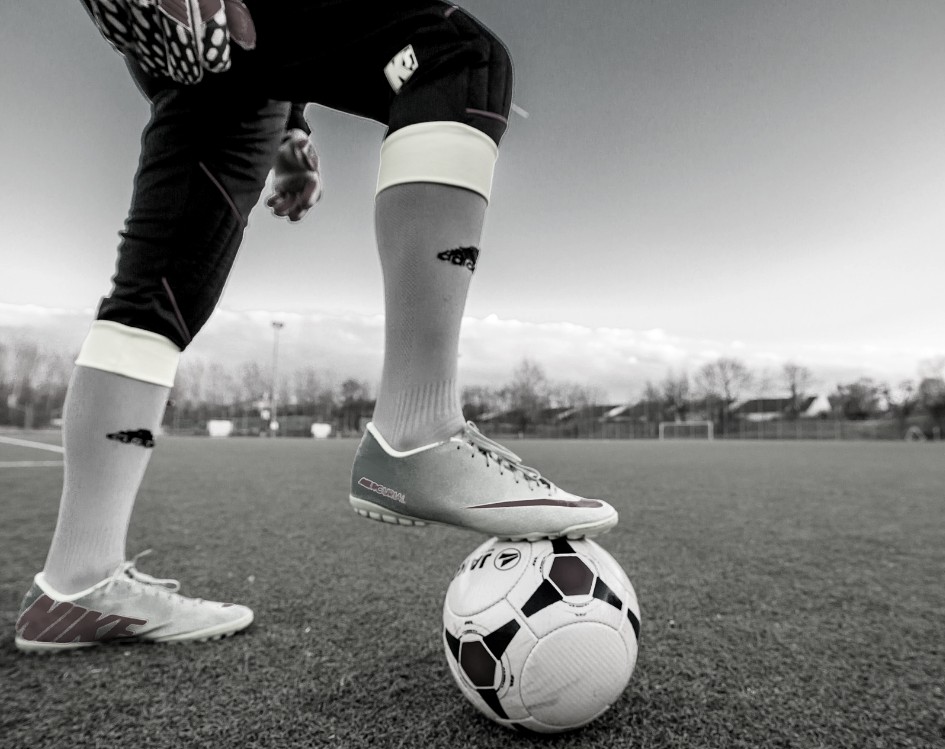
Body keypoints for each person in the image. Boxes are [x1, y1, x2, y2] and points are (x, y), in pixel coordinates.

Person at [14, 0, 618, 653]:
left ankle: (76, 582)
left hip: (231, 69)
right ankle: (417, 434)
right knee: (456, 60)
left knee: (156, 299)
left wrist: (292, 127)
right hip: (226, 25)